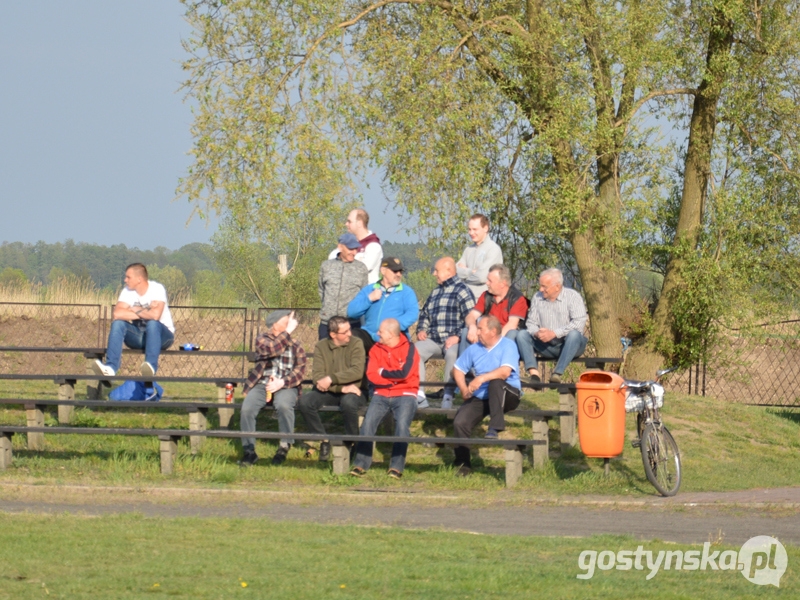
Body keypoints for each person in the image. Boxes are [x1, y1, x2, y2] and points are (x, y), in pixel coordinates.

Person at [451, 315, 522, 476]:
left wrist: (481, 378)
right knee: (460, 421)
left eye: (481, 329)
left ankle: (495, 427)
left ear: (493, 331)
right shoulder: (475, 348)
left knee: (495, 383)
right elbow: (458, 369)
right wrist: (463, 388)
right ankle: (463, 464)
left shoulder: (508, 345)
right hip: (482, 396)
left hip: (508, 393)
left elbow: (504, 373)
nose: (477, 333)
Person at [350, 318, 420, 479]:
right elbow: (372, 376)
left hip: (405, 394)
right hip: (380, 394)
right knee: (367, 425)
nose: (377, 334)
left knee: (402, 426)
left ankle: (396, 466)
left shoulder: (410, 348)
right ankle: (360, 463)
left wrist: (384, 373)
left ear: (390, 334)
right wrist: (393, 380)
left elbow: (405, 374)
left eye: (380, 331)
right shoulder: (375, 349)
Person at [239, 310, 307, 466]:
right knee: (247, 409)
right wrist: (288, 331)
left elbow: (300, 369)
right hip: (262, 384)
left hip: (287, 385)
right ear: (275, 324)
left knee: (283, 405)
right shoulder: (262, 340)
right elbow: (272, 349)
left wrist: (282, 382)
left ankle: (284, 445)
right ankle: (249, 450)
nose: (289, 324)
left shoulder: (295, 344)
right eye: (286, 321)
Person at [297, 315, 366, 461]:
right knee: (305, 402)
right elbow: (317, 377)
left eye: (349, 329)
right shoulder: (321, 346)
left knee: (348, 403)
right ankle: (323, 440)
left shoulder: (356, 343)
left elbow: (356, 372)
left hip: (355, 390)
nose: (350, 333)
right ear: (333, 334)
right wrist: (341, 389)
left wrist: (331, 379)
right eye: (345, 331)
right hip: (333, 391)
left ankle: (354, 442)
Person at [92, 263, 174, 378]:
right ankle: (110, 368)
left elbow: (155, 316)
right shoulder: (127, 291)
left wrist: (135, 309)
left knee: (153, 324)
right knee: (118, 324)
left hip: (162, 337)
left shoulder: (157, 289)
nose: (125, 280)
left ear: (139, 279)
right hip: (139, 336)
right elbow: (117, 314)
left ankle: (150, 368)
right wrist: (146, 311)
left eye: (128, 277)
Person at [415, 257, 475, 409]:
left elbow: (471, 319)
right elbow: (425, 314)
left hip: (453, 340)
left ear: (449, 271)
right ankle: (419, 395)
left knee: (452, 355)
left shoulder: (462, 290)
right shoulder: (435, 292)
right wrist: (421, 329)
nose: (434, 273)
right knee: (414, 351)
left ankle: (447, 395)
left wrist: (458, 336)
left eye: (437, 270)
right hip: (434, 339)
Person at [516, 268, 588, 384]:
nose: (541, 289)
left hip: (570, 345)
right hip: (546, 345)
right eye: (540, 286)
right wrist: (537, 332)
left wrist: (554, 333)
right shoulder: (537, 297)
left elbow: (579, 323)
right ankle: (534, 375)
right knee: (522, 334)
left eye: (545, 287)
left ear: (557, 287)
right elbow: (531, 323)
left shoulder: (573, 297)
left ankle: (557, 373)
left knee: (574, 334)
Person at [461, 263, 529, 364]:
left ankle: (500, 368)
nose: (487, 283)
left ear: (502, 283)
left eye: (490, 281)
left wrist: (492, 340)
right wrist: (472, 326)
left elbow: (512, 325)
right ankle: (464, 369)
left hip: (505, 335)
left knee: (512, 334)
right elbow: (471, 316)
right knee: (466, 331)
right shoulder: (486, 296)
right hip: (488, 333)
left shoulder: (517, 298)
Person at [347, 257, 419, 351]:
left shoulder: (406, 292)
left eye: (400, 271)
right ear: (383, 270)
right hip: (370, 335)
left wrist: (392, 328)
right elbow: (351, 312)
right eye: (395, 271)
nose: (399, 274)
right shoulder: (369, 289)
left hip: (394, 336)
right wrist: (369, 299)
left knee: (400, 344)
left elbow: (412, 314)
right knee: (352, 338)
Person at [318, 233, 369, 340]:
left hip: (351, 325)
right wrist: (328, 308)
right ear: (340, 247)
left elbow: (364, 295)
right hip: (327, 324)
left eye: (356, 249)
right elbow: (321, 290)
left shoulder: (361, 268)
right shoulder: (326, 266)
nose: (354, 252)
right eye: (351, 248)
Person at [328, 208, 383, 283]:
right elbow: (331, 259)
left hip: (368, 293)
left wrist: (343, 259)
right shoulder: (347, 242)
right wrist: (356, 260)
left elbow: (364, 268)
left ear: (359, 223)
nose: (346, 224)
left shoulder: (373, 245)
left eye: (349, 221)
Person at [456, 214, 503, 298]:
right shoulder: (468, 250)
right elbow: (454, 272)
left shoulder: (493, 249)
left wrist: (463, 274)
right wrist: (471, 271)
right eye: (469, 229)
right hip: (464, 299)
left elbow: (481, 277)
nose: (471, 233)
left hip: (483, 302)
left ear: (485, 228)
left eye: (475, 229)